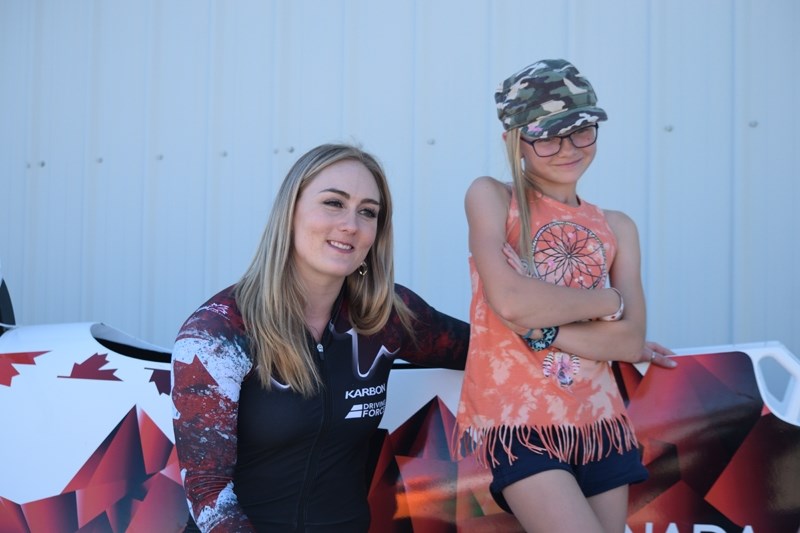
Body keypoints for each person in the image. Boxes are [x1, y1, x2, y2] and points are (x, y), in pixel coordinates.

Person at [170, 143, 470, 532]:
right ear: (290, 212)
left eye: (368, 212)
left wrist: (561, 334)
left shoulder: (388, 316)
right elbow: (208, 492)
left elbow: (490, 351)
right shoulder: (219, 332)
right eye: (333, 203)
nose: (351, 224)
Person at [452, 59, 676, 533]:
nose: (568, 148)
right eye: (548, 136)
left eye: (582, 131)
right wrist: (607, 301)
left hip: (600, 425)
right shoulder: (493, 199)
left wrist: (543, 327)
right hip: (521, 424)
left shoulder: (617, 226)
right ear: (515, 140)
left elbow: (630, 341)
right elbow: (511, 302)